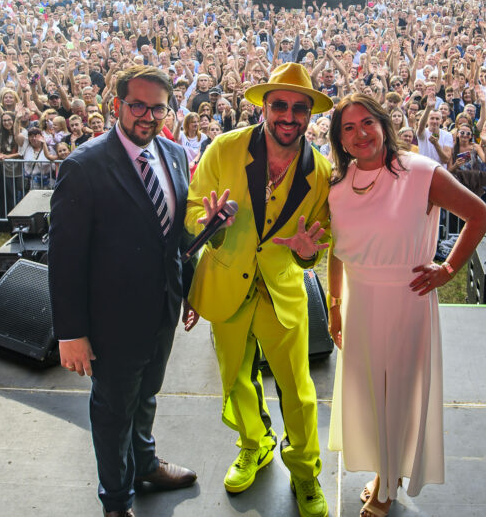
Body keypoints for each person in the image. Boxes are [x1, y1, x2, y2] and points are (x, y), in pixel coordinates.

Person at [325, 94, 486, 516]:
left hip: (406, 299)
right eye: (348, 128)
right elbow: (336, 251)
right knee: (369, 393)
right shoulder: (338, 185)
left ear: (384, 125)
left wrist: (449, 269)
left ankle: (387, 485)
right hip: (360, 302)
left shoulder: (420, 172)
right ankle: (386, 470)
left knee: (397, 393)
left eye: (367, 122)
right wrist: (334, 305)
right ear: (340, 139)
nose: (360, 134)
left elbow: (480, 215)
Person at [184, 62, 334, 517]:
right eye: (280, 105)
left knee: (298, 391)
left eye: (299, 108)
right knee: (235, 379)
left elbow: (318, 240)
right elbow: (193, 209)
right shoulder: (224, 148)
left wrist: (307, 255)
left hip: (282, 291)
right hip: (226, 283)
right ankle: (255, 443)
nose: (288, 116)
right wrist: (208, 224)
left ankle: (305, 471)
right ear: (264, 107)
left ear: (309, 115)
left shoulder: (320, 171)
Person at [49, 65, 197, 517]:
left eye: (158, 108)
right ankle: (116, 502)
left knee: (147, 392)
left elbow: (176, 237)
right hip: (110, 320)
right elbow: (65, 258)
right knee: (113, 409)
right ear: (117, 105)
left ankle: (145, 465)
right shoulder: (84, 166)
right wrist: (70, 332)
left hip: (162, 307)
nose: (148, 116)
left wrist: (191, 291)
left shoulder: (174, 154)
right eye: (138, 106)